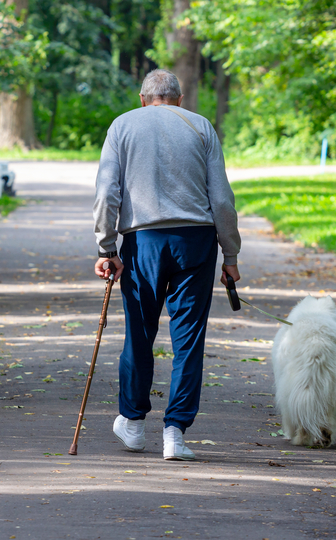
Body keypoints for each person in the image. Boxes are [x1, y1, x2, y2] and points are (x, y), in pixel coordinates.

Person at [92, 69, 242, 461]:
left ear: (143, 99)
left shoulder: (123, 125)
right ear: (179, 98)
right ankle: (175, 434)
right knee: (188, 339)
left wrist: (107, 248)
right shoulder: (201, 126)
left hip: (143, 242)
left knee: (139, 334)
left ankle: (133, 424)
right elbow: (221, 199)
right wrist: (230, 255)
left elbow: (107, 192)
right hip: (196, 242)